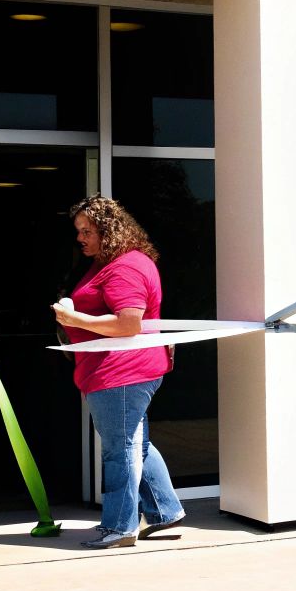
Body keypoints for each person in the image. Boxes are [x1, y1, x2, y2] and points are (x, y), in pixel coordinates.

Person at [53, 195, 185, 549]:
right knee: (135, 443)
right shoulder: (112, 262)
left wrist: (74, 319)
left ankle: (119, 526)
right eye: (78, 231)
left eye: (88, 230)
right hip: (124, 370)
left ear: (109, 230)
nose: (80, 237)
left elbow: (129, 323)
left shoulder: (124, 267)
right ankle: (164, 511)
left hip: (121, 373)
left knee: (120, 448)